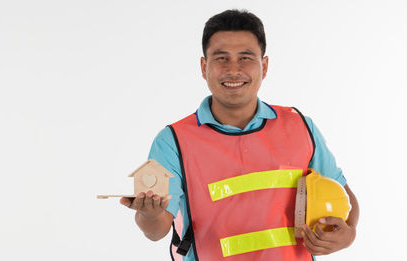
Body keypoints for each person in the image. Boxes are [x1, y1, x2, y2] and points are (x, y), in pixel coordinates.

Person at [120, 9, 359, 261]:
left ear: (264, 66)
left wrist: (349, 234)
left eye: (245, 58)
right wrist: (149, 214)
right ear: (204, 67)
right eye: (221, 58)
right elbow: (156, 232)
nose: (233, 70)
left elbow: (344, 195)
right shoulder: (172, 141)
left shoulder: (299, 125)